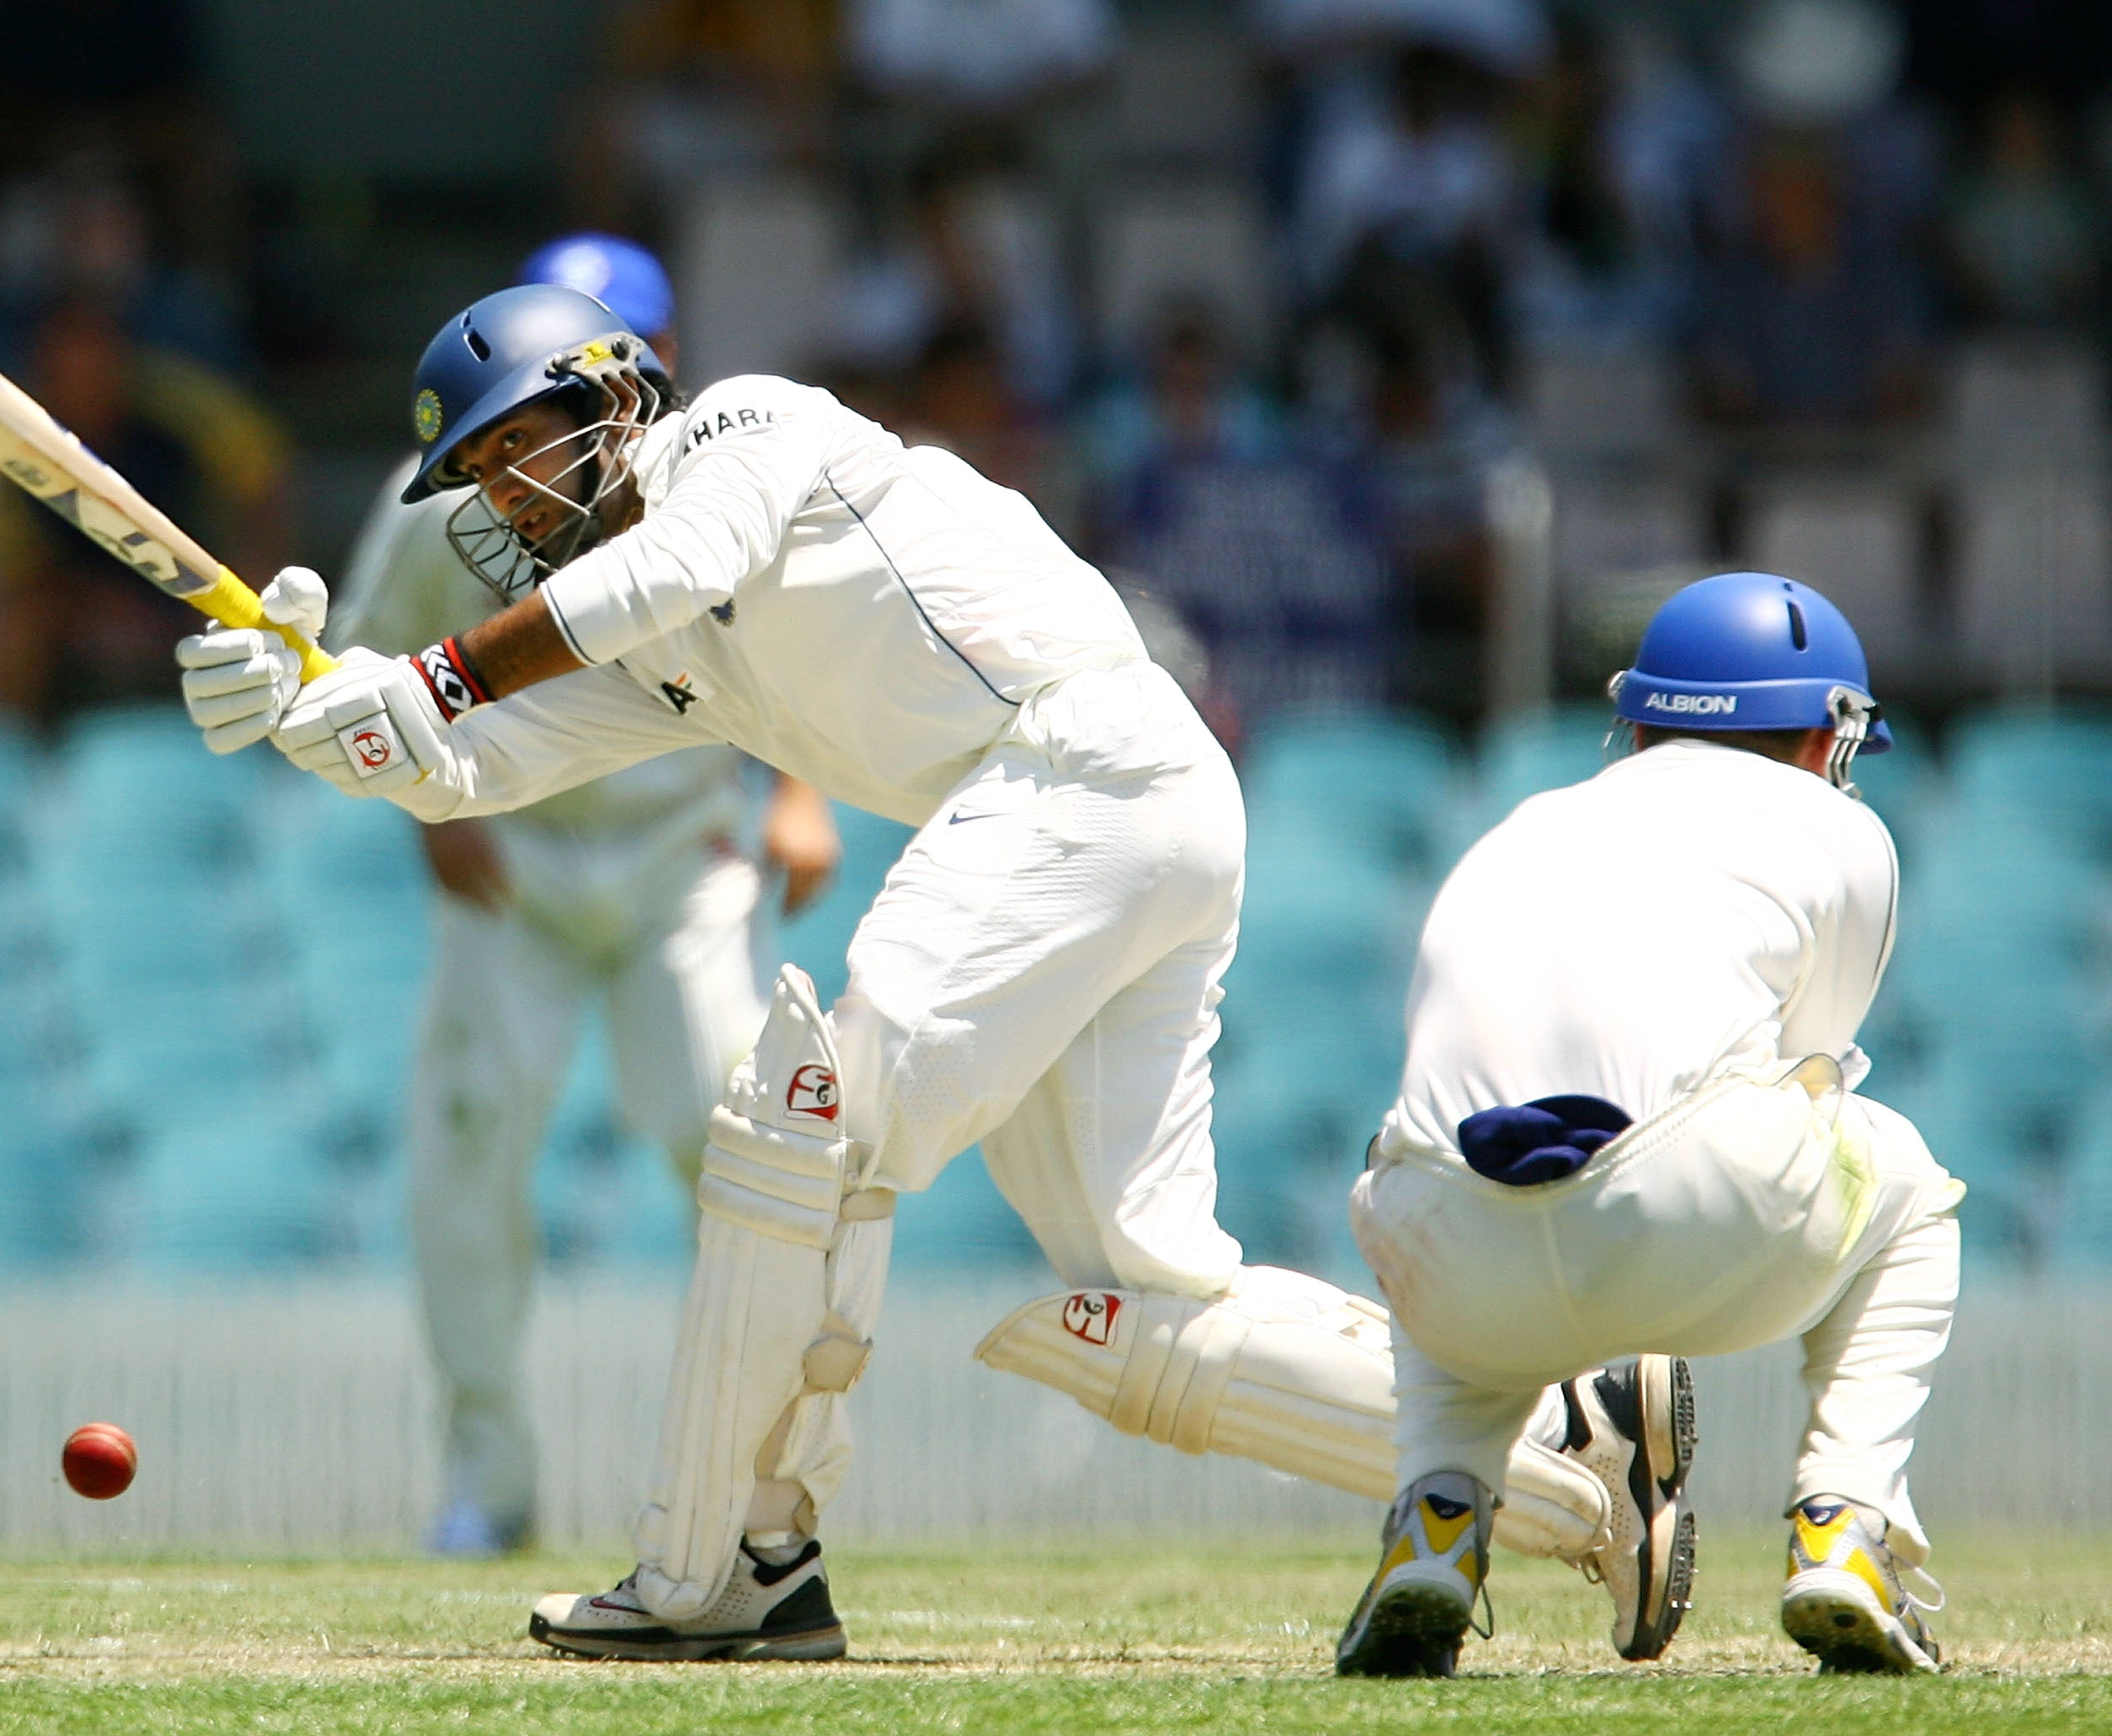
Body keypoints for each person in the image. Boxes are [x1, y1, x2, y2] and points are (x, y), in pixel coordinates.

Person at [173, 283, 1687, 1662]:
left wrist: (423, 672)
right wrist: (317, 711)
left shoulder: (749, 428)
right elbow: (468, 763)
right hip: (1097, 815)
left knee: (811, 1118)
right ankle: (1572, 1440)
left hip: (1079, 762)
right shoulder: (651, 649)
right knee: (1138, 1298)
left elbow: (652, 580)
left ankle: (729, 1560)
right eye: (484, 486)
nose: (506, 499)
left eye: (520, 451)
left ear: (616, 394)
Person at [314, 235, 839, 1555]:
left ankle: (759, 1494)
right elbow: (366, 665)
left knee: (728, 1146)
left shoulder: (717, 471)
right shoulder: (442, 497)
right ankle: (487, 1485)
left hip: (682, 863)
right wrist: (417, 808)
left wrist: (799, 787)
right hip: (515, 868)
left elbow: (766, 628)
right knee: (470, 1155)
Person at [1341, 571, 1959, 1678]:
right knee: (1909, 1185)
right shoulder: (1838, 828)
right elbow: (1806, 1071)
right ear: (1831, 733)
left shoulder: (1526, 818)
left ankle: (1434, 1524)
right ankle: (1843, 1529)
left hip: (1440, 1247)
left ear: (1638, 719)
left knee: (1439, 1165)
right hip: (1686, 1212)